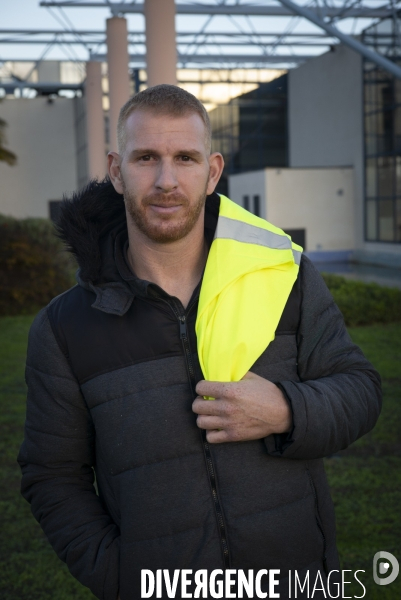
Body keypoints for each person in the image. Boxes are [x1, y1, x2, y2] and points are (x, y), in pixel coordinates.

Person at [18, 84, 381, 600]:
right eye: (146, 158)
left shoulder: (283, 277)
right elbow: (52, 477)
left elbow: (362, 389)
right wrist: (125, 578)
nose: (167, 180)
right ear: (117, 171)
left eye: (184, 158)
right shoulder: (63, 328)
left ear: (212, 172)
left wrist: (286, 410)